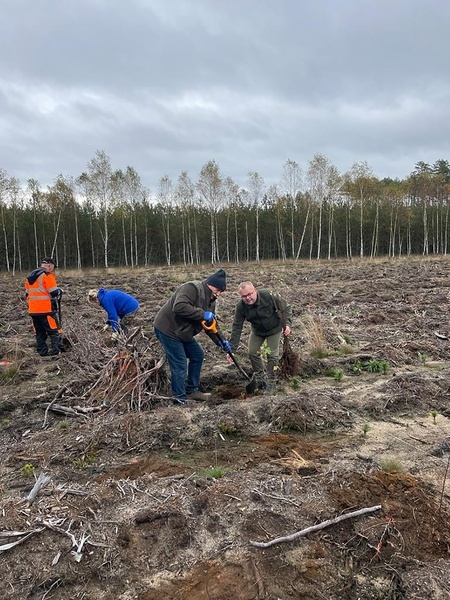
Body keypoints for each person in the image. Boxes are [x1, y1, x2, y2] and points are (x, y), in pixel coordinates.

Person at [154, 268, 231, 405]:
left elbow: (210, 324)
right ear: (211, 284)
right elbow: (179, 306)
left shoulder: (211, 300)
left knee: (197, 355)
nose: (219, 294)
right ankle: (179, 398)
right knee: (180, 363)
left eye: (221, 292)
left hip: (183, 332)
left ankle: (192, 390)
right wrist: (202, 314)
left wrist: (221, 340)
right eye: (218, 290)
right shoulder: (191, 288)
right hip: (168, 329)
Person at [229, 281, 292, 394]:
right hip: (257, 331)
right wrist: (232, 349)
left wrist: (287, 324)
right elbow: (237, 327)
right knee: (252, 352)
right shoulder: (240, 307)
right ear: (240, 297)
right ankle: (260, 379)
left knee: (272, 355)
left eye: (250, 294)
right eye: (244, 296)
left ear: (255, 290)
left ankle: (272, 381)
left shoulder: (269, 295)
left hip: (274, 329)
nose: (248, 298)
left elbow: (286, 308)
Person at [25, 257, 63, 357]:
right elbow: (54, 292)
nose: (53, 269)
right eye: (53, 267)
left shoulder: (29, 277)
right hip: (46, 309)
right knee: (53, 331)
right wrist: (60, 291)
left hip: (33, 310)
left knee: (39, 332)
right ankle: (56, 351)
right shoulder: (47, 275)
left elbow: (27, 294)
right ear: (50, 265)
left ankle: (42, 352)